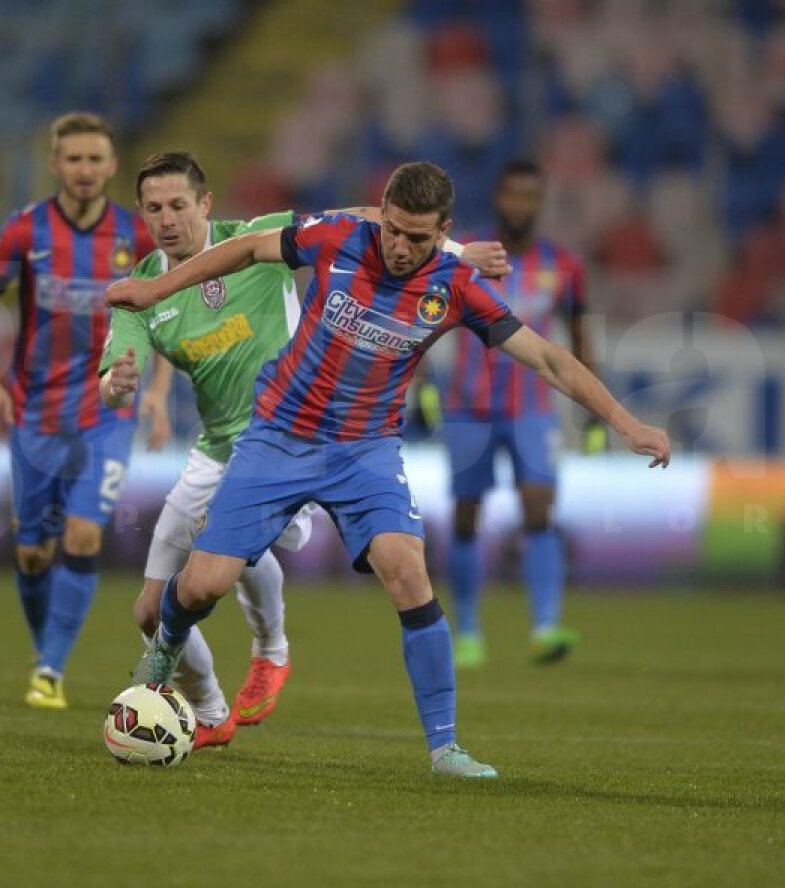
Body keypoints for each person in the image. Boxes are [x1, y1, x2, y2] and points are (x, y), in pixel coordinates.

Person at [106, 161, 670, 778]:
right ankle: (166, 648)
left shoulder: (456, 286)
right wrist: (156, 290)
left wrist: (627, 423)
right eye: (393, 230)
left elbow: (548, 359)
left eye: (417, 238)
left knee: (407, 571)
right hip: (278, 437)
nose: (399, 247)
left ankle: (445, 748)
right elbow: (245, 249)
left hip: (364, 451)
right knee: (201, 587)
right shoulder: (337, 239)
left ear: (442, 233)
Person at [99, 151, 511, 749]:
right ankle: (211, 712)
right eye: (154, 208)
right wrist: (117, 384)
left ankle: (271, 650)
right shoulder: (144, 292)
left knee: (236, 548)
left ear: (205, 204)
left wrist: (455, 251)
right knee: (150, 610)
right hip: (216, 449)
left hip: (296, 434)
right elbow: (115, 370)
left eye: (178, 205)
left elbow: (370, 217)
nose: (167, 219)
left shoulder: (254, 238)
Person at [0, 111, 164, 710]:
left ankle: (50, 669)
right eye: (73, 159)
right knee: (31, 550)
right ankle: (44, 648)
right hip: (35, 413)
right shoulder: (26, 229)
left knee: (82, 531)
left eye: (95, 158)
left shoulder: (135, 236)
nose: (84, 169)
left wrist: (155, 393)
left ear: (112, 166)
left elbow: (170, 311)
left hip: (107, 411)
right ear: (54, 165)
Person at [437, 159, 604, 669]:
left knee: (539, 508)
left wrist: (593, 407)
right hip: (468, 407)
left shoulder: (564, 265)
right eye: (512, 194)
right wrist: (417, 381)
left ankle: (545, 627)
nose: (519, 205)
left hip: (532, 409)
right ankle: (468, 630)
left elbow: (579, 335)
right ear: (498, 198)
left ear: (540, 201)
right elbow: (424, 312)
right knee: (467, 515)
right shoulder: (467, 253)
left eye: (529, 195)